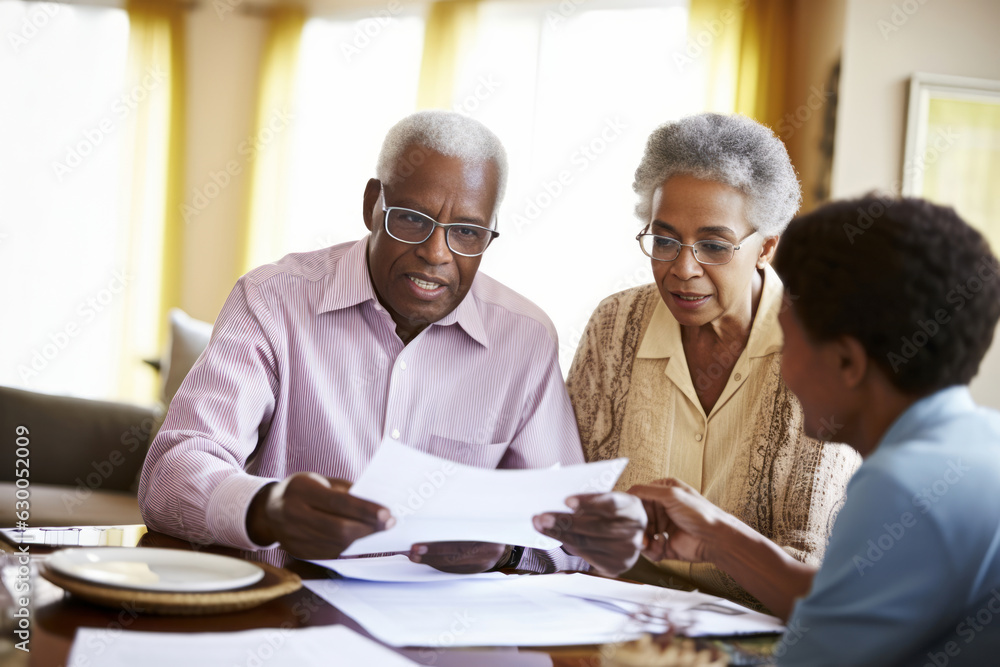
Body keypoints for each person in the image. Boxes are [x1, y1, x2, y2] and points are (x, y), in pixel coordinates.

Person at [138, 110, 639, 574]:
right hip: (285, 617)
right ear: (372, 205)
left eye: (467, 232)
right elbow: (172, 470)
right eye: (413, 219)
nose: (436, 253)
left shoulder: (525, 339)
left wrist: (506, 552)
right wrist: (264, 508)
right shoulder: (273, 300)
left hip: (443, 638)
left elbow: (575, 536)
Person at [632, 196, 1000, 665]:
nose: (783, 367)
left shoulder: (899, 486)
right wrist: (716, 539)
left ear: (847, 362)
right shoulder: (980, 443)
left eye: (788, 340)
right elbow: (845, 607)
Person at [534, 113, 861, 607]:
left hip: (758, 625)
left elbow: (807, 563)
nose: (682, 269)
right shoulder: (615, 323)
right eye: (664, 240)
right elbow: (573, 504)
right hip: (610, 611)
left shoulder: (820, 348)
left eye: (713, 245)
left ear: (766, 247)